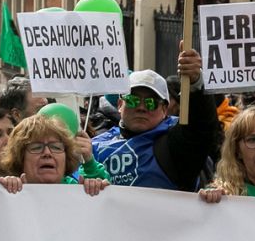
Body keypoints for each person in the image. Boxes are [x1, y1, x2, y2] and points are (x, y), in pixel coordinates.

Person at [89, 50, 216, 190]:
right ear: (120, 105)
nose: (141, 108)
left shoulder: (175, 145)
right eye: (133, 100)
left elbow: (201, 128)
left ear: (164, 110)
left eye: (151, 103)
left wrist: (196, 82)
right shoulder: (94, 147)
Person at [0, 115, 110, 196]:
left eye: (56, 147)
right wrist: (5, 192)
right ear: (20, 158)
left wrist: (98, 193)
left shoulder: (83, 191)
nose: (47, 153)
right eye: (36, 148)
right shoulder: (9, 194)